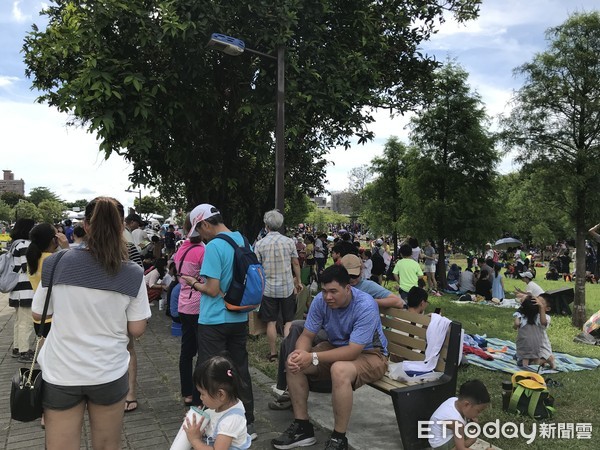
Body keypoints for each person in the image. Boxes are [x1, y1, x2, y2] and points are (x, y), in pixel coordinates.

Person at [31, 197, 151, 450]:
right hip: (108, 371)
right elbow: (137, 329)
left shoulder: (57, 262)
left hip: (62, 371)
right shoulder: (132, 272)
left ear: (85, 225)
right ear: (121, 228)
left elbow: (37, 313)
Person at [272, 265, 388, 450]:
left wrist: (312, 356)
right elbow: (307, 336)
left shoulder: (365, 305)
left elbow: (352, 352)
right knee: (294, 362)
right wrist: (301, 354)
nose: (328, 297)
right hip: (334, 349)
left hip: (371, 354)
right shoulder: (320, 301)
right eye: (324, 291)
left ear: (348, 288)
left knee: (339, 370)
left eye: (333, 291)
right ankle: (302, 427)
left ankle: (339, 439)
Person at [180, 204, 257, 439]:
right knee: (239, 369)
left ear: (205, 224)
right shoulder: (243, 240)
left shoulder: (214, 246)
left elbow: (212, 290)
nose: (200, 237)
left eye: (199, 231)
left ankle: (212, 426)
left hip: (214, 319)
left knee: (212, 372)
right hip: (239, 315)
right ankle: (247, 423)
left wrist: (192, 282)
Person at [254, 210, 303, 362]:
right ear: (280, 224)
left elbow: (257, 268)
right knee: (288, 320)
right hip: (287, 287)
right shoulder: (289, 242)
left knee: (271, 322)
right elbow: (295, 262)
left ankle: (273, 353)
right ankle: (287, 352)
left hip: (268, 289)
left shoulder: (260, 244)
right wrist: (298, 281)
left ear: (266, 225)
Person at [183, 356, 251, 450]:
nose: (200, 398)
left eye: (202, 394)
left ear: (221, 394)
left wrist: (194, 440)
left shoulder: (231, 420)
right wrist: (197, 423)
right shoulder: (219, 406)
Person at [173, 214, 205, 407]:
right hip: (200, 305)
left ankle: (186, 392)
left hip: (184, 305)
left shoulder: (181, 249)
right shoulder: (203, 251)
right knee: (203, 352)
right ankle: (197, 393)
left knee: (186, 351)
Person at [428, 380, 490, 450]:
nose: (479, 414)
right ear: (467, 404)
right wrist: (473, 438)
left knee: (469, 432)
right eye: (478, 411)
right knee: (472, 438)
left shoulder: (454, 400)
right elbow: (461, 448)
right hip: (441, 444)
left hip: (438, 436)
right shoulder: (457, 424)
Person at [7, 218, 36, 361]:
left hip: (17, 289)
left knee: (19, 320)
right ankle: (24, 352)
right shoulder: (25, 244)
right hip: (25, 289)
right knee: (27, 321)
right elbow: (27, 267)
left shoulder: (15, 244)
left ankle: (17, 348)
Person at [513, 295, 556, 369]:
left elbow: (543, 322)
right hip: (530, 345)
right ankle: (539, 362)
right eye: (536, 301)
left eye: (540, 303)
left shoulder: (545, 317)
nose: (537, 303)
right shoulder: (531, 315)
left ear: (547, 308)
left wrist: (541, 307)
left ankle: (548, 360)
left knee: (534, 362)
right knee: (523, 358)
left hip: (542, 345)